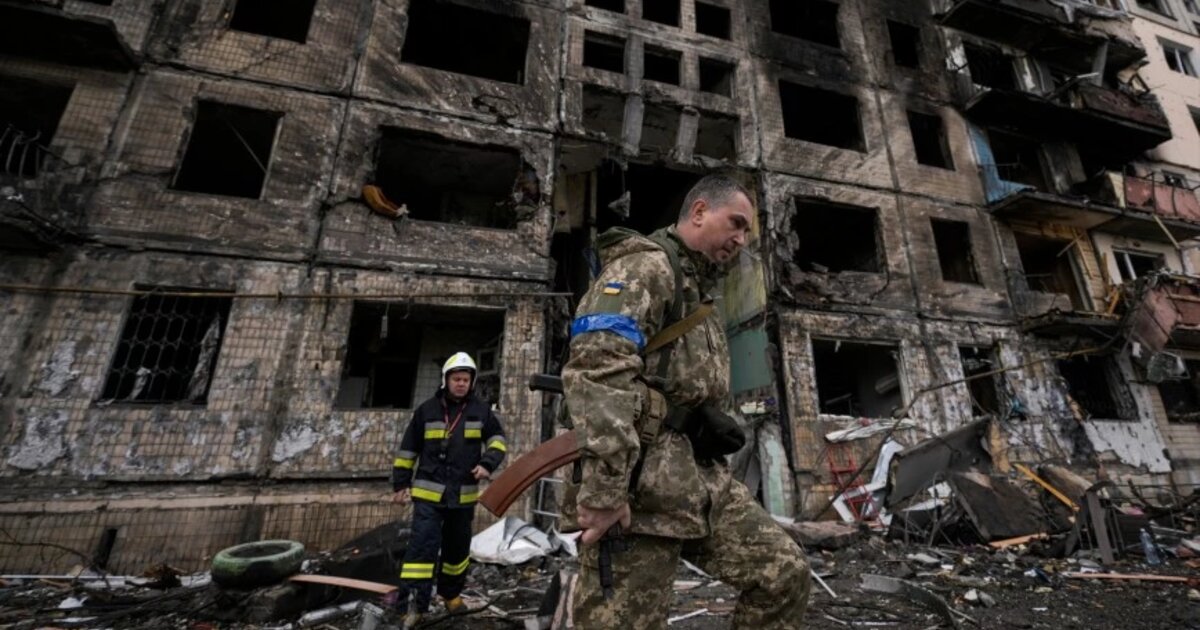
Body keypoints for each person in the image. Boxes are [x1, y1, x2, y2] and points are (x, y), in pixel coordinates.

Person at [561, 174, 811, 628]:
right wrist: (604, 492)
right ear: (699, 212)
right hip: (639, 493)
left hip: (700, 485)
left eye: (746, 231)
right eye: (736, 223)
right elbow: (597, 373)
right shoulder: (645, 269)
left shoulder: (699, 294)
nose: (741, 239)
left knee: (784, 574)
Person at [390, 352, 507, 628]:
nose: (461, 383)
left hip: (463, 497)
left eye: (466, 379)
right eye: (456, 379)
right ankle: (413, 606)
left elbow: (498, 441)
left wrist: (487, 464)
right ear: (446, 380)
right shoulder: (426, 411)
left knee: (457, 551)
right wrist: (401, 484)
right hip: (428, 497)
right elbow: (408, 449)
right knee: (421, 551)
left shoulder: (481, 411)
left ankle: (451, 595)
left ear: (472, 382)